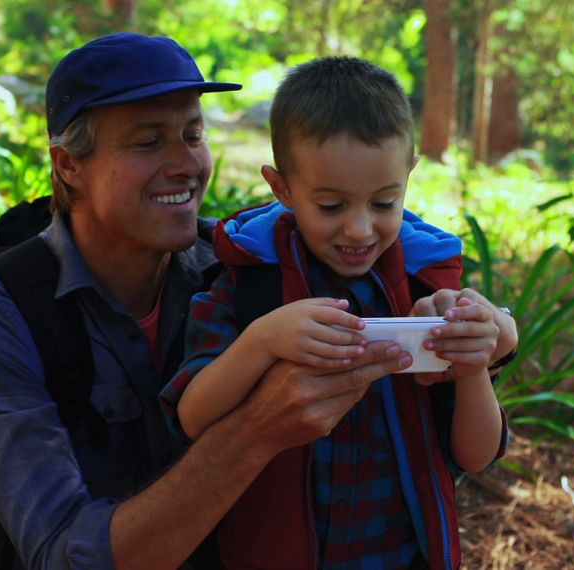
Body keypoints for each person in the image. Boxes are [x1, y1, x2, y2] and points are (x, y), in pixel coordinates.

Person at [0, 34, 421, 569]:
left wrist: (477, 335)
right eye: (147, 143)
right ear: (69, 165)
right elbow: (63, 556)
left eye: (193, 134)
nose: (184, 164)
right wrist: (255, 429)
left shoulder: (241, 271)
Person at [160, 56, 518, 569]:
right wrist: (261, 341)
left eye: (383, 203)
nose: (358, 229)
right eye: (331, 206)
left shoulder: (423, 286)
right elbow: (193, 417)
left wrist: (473, 366)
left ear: (408, 175)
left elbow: (475, 455)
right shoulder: (247, 285)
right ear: (281, 188)